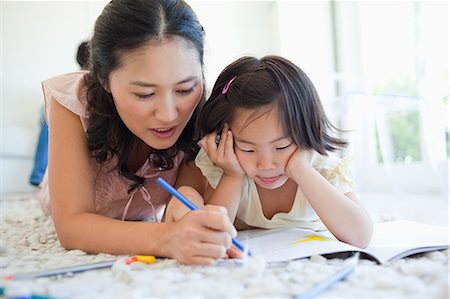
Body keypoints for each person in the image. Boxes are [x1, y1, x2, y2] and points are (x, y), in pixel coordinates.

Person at [38, 0, 239, 265]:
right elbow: (72, 225)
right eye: (145, 94)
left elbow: (185, 195)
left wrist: (192, 214)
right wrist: (167, 238)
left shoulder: (203, 111)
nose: (169, 115)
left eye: (185, 89)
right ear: (103, 79)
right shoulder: (73, 102)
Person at [165, 55, 373, 248]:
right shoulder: (223, 167)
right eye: (247, 148)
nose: (266, 165)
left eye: (281, 147)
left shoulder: (321, 169)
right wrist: (232, 176)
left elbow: (360, 236)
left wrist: (300, 170)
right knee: (186, 195)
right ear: (222, 137)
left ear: (307, 132)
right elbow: (215, 237)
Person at [29, 40, 90, 186]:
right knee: (47, 115)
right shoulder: (73, 80)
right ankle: (38, 177)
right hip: (56, 112)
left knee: (48, 116)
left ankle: (39, 177)